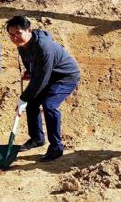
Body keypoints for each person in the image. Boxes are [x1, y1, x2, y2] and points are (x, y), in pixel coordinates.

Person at [6, 16, 80, 162]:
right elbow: (33, 66)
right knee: (32, 103)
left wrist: (23, 98)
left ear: (29, 30)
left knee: (49, 105)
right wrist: (30, 72)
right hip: (48, 75)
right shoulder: (22, 45)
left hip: (65, 77)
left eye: (18, 33)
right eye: (11, 35)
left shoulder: (44, 47)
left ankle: (56, 147)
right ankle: (37, 138)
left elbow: (41, 80)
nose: (15, 37)